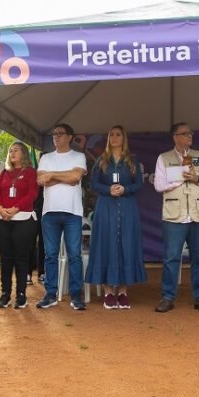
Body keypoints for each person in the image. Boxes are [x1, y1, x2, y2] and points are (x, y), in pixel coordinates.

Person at [153, 123, 199, 314]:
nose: (190, 136)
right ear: (175, 137)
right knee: (171, 258)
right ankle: (168, 297)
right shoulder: (163, 158)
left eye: (191, 133)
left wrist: (197, 179)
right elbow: (158, 185)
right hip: (175, 215)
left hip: (198, 214)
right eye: (185, 134)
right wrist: (180, 179)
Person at [85, 125, 147, 310]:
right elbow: (93, 183)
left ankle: (122, 291)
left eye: (118, 134)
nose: (114, 137)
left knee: (126, 244)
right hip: (105, 207)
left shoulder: (132, 160)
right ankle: (107, 291)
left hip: (127, 207)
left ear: (124, 138)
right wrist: (108, 189)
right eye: (111, 134)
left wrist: (125, 189)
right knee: (105, 243)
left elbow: (139, 184)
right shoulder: (101, 160)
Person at [36, 123, 88, 310]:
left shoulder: (79, 156)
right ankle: (50, 294)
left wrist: (52, 175)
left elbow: (75, 178)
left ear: (70, 137)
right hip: (49, 212)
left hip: (73, 212)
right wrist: (62, 176)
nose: (55, 137)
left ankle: (76, 296)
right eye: (54, 134)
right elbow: (42, 181)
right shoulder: (46, 158)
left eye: (60, 134)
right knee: (50, 255)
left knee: (74, 255)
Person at [0, 141, 39, 309]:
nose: (12, 153)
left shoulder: (30, 172)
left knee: (21, 258)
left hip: (23, 219)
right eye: (10, 150)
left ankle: (21, 294)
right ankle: (5, 293)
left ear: (24, 154)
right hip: (3, 219)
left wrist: (15, 208)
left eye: (16, 150)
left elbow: (32, 193)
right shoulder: (4, 172)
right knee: (6, 259)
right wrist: (0, 208)